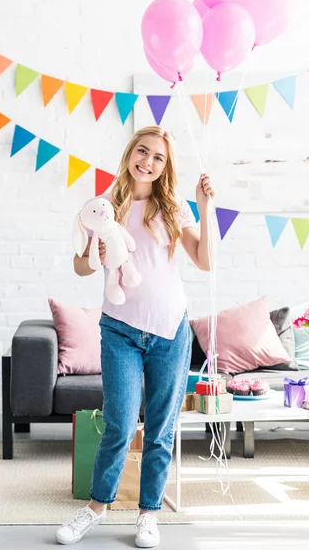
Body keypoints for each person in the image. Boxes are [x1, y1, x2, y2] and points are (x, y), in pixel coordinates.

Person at [56, 126, 215, 547]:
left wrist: (205, 207)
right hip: (120, 331)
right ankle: (95, 508)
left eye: (158, 157)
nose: (148, 161)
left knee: (161, 429)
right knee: (120, 424)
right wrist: (97, 258)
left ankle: (148, 514)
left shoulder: (174, 207)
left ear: (166, 167)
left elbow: (204, 261)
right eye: (142, 151)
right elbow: (79, 266)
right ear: (130, 153)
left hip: (170, 330)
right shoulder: (104, 206)